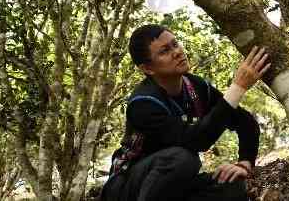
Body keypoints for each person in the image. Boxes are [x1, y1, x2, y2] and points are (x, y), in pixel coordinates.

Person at [101, 24, 270, 201]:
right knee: (183, 158)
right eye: (164, 51)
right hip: (127, 188)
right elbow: (196, 141)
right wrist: (237, 88)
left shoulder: (197, 87)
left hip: (171, 185)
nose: (177, 52)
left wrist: (244, 164)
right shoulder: (143, 104)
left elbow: (245, 122)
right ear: (147, 69)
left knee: (232, 187)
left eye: (175, 44)